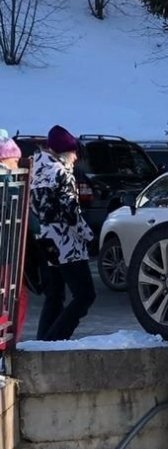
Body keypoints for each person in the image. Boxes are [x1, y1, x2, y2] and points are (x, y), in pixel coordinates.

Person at [29, 125, 96, 341]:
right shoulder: (60, 172)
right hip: (65, 243)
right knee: (85, 294)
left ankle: (43, 342)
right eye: (75, 152)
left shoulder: (36, 169)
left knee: (55, 294)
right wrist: (88, 235)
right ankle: (55, 338)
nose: (76, 157)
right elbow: (70, 212)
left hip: (44, 239)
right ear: (66, 152)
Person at [0, 130, 28, 347]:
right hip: (5, 253)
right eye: (14, 158)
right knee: (11, 301)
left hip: (7, 252)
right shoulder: (8, 183)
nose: (17, 162)